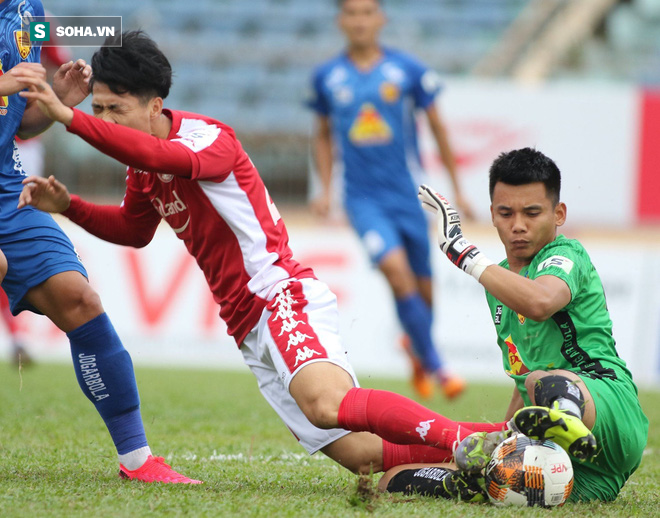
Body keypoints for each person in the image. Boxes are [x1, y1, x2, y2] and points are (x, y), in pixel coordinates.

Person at [13, 32, 572, 499]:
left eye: (116, 109)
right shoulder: (141, 168)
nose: (104, 120)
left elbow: (163, 157)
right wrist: (71, 208)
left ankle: (465, 444)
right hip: (247, 325)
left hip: (279, 294)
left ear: (155, 105)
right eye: (98, 110)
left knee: (326, 404)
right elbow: (133, 233)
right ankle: (505, 442)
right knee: (360, 453)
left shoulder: (207, 138)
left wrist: (65, 116)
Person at [0, 0, 198, 484]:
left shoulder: (30, 9)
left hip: (7, 182)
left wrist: (54, 101)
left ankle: (136, 459)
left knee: (79, 298)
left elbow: (16, 120)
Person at [380, 148, 649, 502]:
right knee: (394, 479)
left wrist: (464, 254)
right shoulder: (502, 285)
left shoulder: (566, 255)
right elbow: (522, 373)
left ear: (559, 214)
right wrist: (507, 437)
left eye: (532, 213)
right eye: (506, 213)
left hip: (609, 411)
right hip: (590, 471)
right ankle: (517, 461)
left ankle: (563, 424)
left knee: (544, 381)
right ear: (492, 214)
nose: (518, 225)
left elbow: (540, 302)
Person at [306, 0, 471, 399]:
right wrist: (326, 189)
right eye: (352, 13)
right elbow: (323, 135)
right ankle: (437, 365)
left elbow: (438, 127)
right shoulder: (327, 76)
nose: (360, 20)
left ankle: (416, 349)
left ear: (381, 18)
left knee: (425, 290)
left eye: (367, 12)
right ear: (340, 20)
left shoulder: (407, 70)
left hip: (408, 196)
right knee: (396, 273)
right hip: (363, 200)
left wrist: (458, 189)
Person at [3, 11, 73, 367]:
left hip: (23, 146)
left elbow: (58, 57)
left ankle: (18, 335)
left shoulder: (30, 15)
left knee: (10, 245)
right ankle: (17, 335)